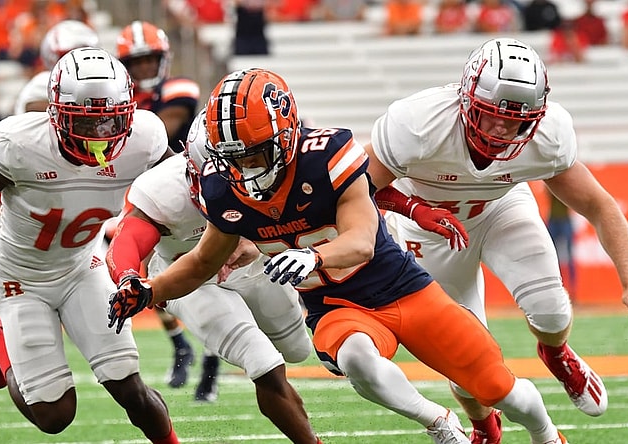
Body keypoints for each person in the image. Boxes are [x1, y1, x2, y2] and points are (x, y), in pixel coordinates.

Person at [108, 67, 569, 444]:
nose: (243, 170)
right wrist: (147, 291)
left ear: (285, 135)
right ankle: (438, 423)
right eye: (232, 159)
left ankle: (546, 434)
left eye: (254, 155)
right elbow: (201, 263)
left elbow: (362, 239)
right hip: (334, 305)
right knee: (356, 359)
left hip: (399, 288)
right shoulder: (221, 188)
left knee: (498, 389)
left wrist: (314, 257)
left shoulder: (327, 155)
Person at [364, 37, 628, 443]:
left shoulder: (548, 135)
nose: (503, 128)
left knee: (551, 310)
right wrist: (414, 208)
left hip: (501, 209)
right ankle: (485, 426)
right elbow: (355, 188)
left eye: (517, 120)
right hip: (429, 232)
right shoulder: (419, 123)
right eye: (492, 115)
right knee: (463, 356)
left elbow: (600, 206)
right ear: (467, 99)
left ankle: (556, 353)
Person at [0, 47, 179, 443]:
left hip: (82, 266)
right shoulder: (21, 144)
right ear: (57, 114)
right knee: (54, 415)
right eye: (86, 121)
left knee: (129, 386)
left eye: (110, 120)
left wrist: (173, 260)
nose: (99, 134)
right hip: (21, 278)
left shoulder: (144, 138)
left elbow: (177, 192)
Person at [106, 108, 322, 441]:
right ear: (191, 166)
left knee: (296, 350)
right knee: (263, 362)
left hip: (249, 267)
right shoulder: (164, 189)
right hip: (190, 280)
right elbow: (129, 239)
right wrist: (127, 277)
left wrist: (255, 243)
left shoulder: (272, 174)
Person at [0, 19, 100, 313]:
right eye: (70, 54)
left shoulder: (101, 92)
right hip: (15, 195)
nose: (79, 62)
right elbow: (42, 122)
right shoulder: (41, 86)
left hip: (72, 195)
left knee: (92, 284)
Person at [116, 20, 217, 398]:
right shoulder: (120, 99)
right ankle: (180, 344)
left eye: (149, 59)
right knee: (147, 272)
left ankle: (210, 362)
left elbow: (156, 134)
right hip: (151, 197)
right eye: (137, 61)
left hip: (193, 193)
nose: (144, 67)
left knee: (214, 273)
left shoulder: (178, 89)